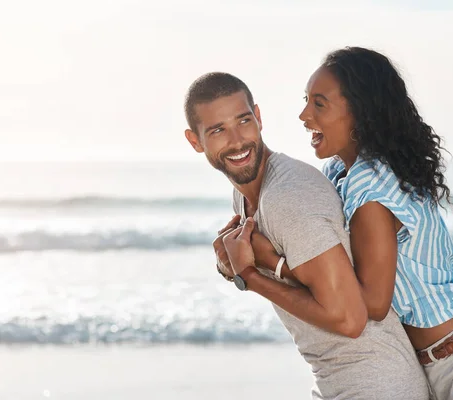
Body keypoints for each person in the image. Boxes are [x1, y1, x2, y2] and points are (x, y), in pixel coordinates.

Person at [251, 46, 453, 400]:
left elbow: (371, 303)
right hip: (448, 364)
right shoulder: (342, 173)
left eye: (319, 104)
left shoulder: (369, 184)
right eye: (306, 100)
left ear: (358, 112)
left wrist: (272, 266)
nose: (304, 114)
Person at [183, 72, 429, 399]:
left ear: (258, 117)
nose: (237, 140)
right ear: (195, 141)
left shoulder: (289, 196)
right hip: (342, 381)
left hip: (376, 384)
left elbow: (349, 319)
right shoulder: (246, 194)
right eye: (218, 130)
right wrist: (234, 266)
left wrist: (248, 275)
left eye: (243, 121)